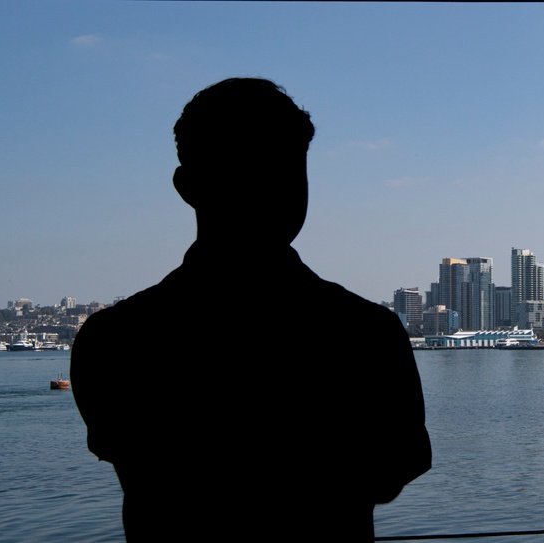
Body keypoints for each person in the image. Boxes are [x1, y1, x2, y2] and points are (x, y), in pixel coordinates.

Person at [71, 78, 431, 541]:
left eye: (280, 170)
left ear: (187, 187)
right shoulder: (365, 332)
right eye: (256, 170)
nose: (267, 188)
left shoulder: (113, 340)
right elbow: (395, 469)